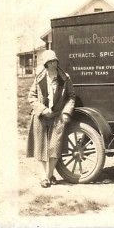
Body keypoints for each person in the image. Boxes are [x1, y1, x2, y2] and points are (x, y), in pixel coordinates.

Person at [26, 50, 75, 188]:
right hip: (41, 117)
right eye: (51, 61)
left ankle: (49, 175)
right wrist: (42, 109)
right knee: (40, 147)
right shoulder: (39, 78)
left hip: (57, 116)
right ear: (46, 64)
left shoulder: (65, 78)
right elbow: (32, 97)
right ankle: (43, 177)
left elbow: (71, 96)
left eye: (55, 61)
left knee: (54, 146)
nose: (54, 63)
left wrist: (66, 113)